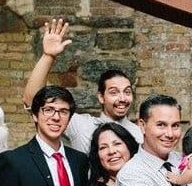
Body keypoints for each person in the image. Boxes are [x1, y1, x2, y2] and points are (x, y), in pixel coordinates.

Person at [23, 18, 143, 150]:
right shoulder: (81, 125)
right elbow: (33, 101)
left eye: (127, 92)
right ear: (101, 97)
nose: (122, 99)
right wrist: (48, 56)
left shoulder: (140, 134)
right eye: (114, 92)